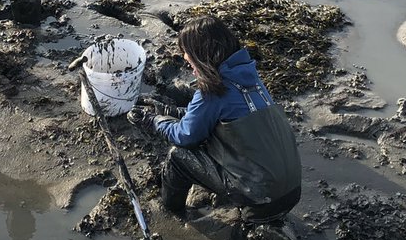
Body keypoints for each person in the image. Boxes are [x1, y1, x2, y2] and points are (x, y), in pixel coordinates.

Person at [128, 16, 302, 222]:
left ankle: (170, 213)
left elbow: (186, 136)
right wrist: (168, 111)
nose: (185, 57)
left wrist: (153, 121)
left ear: (201, 54)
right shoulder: (249, 76)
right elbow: (212, 118)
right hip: (291, 192)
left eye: (187, 52)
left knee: (178, 157)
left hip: (260, 198)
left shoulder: (213, 90)